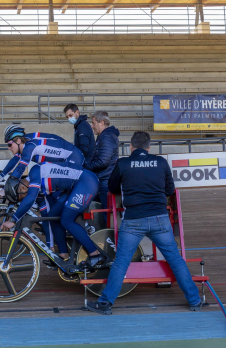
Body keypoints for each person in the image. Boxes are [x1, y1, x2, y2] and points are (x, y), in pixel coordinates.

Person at [86, 131, 202, 315]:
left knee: (121, 262)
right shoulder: (161, 162)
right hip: (159, 218)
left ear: (131, 147)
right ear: (149, 148)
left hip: (133, 220)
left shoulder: (123, 163)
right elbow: (170, 189)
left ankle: (105, 304)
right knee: (175, 260)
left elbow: (113, 188)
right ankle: (195, 300)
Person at [0, 162, 106, 267]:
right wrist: (50, 248)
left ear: (22, 188)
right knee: (53, 215)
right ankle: (63, 255)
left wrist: (13, 220)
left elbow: (30, 198)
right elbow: (46, 215)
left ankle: (95, 254)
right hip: (75, 186)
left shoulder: (35, 173)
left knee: (66, 220)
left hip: (86, 182)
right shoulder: (36, 182)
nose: (23, 199)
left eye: (21, 197)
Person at [84, 110, 119, 212]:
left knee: (106, 214)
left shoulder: (106, 137)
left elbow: (103, 161)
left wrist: (86, 167)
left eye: (94, 123)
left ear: (102, 122)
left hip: (105, 183)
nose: (92, 126)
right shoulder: (104, 136)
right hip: (103, 181)